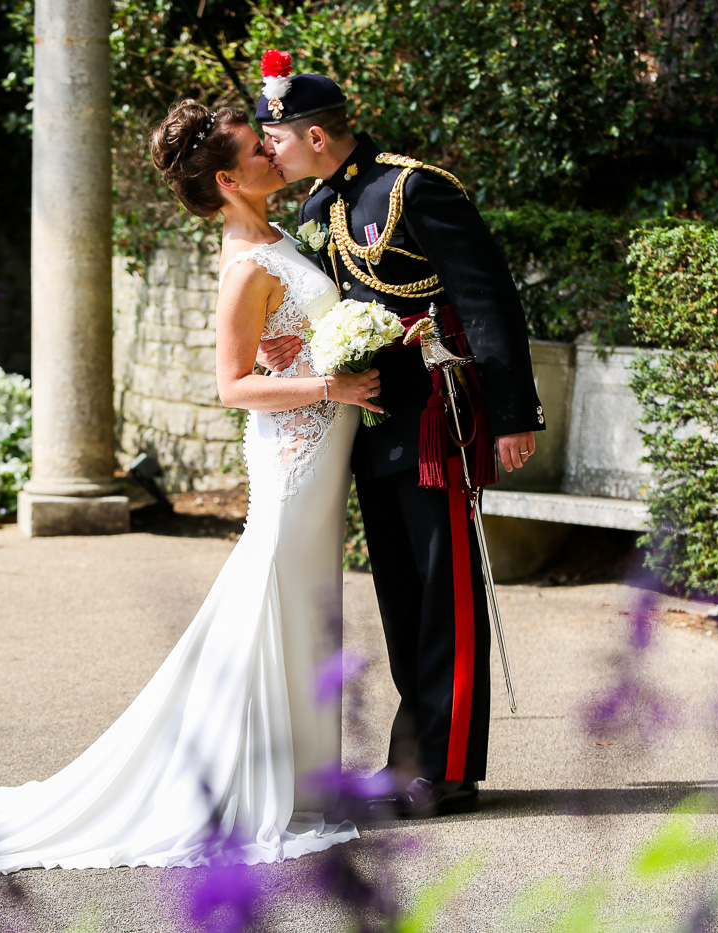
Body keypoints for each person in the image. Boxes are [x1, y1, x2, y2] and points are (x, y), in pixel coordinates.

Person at [0, 101, 381, 879]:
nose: (272, 157)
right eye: (259, 151)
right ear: (228, 178)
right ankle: (242, 787)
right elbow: (229, 386)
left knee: (304, 605)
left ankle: (298, 777)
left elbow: (277, 349)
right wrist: (330, 382)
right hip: (292, 459)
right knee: (273, 603)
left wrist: (324, 353)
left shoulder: (278, 238)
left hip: (317, 447)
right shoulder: (245, 264)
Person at [253, 51, 544, 818]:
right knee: (401, 594)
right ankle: (411, 753)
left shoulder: (414, 188)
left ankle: (448, 768)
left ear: (315, 137)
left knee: (444, 591)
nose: (266, 149)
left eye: (274, 136)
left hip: (433, 420)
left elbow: (488, 301)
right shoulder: (318, 211)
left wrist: (515, 414)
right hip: (368, 420)